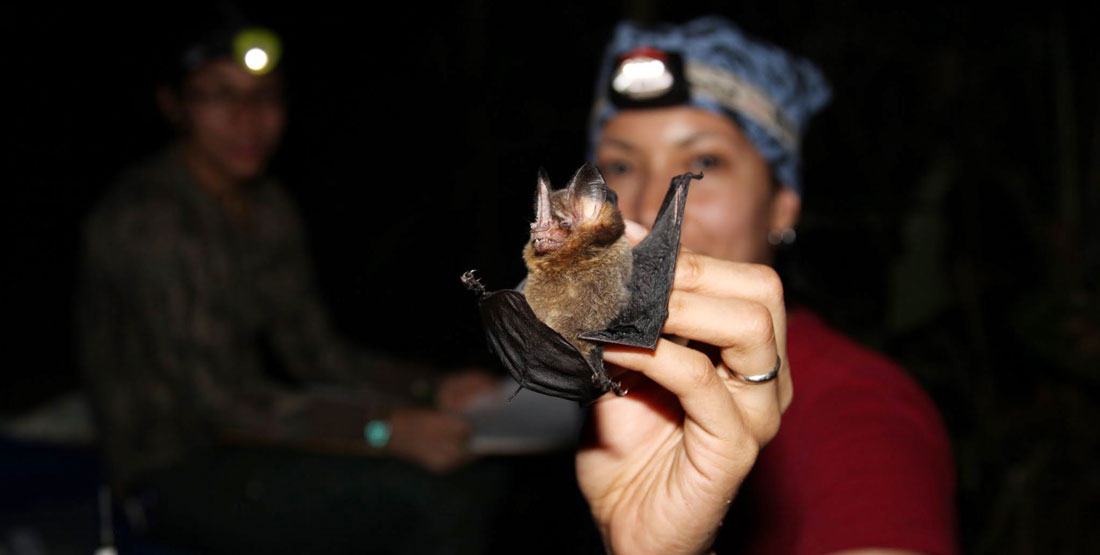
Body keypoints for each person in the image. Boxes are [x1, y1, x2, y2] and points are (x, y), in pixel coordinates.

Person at [77, 18, 498, 553]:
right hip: (171, 466)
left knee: (475, 469)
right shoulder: (149, 218)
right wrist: (385, 430)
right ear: (173, 106)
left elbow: (315, 354)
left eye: (264, 96)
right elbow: (218, 404)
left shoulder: (267, 207)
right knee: (432, 499)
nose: (246, 119)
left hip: (251, 442)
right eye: (218, 96)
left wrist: (428, 389)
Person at [573, 16, 957, 554]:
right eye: (620, 165)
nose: (646, 207)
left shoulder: (860, 407)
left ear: (783, 203)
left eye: (704, 162)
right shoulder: (609, 393)